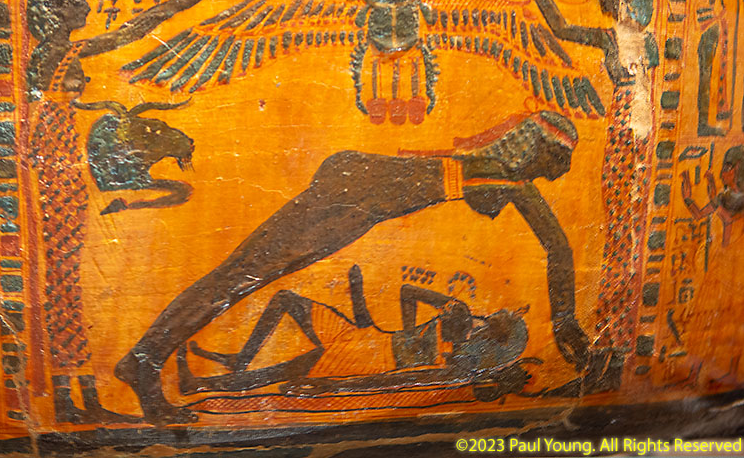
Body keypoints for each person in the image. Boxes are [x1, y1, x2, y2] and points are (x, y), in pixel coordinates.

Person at [115, 110, 590, 424]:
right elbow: (557, 245)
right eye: (555, 159)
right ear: (534, 149)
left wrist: (566, 318)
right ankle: (143, 361)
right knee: (238, 278)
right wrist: (565, 318)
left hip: (356, 201)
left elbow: (556, 244)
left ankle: (142, 360)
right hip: (350, 195)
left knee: (240, 276)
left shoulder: (502, 172)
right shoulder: (502, 174)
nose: (558, 172)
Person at [24, 0, 222, 423]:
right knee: (62, 285)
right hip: (55, 165)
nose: (86, 7)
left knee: (67, 284)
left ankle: (82, 398)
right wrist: (177, 2)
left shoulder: (56, 53)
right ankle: (70, 402)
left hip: (62, 161)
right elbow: (124, 35)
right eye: (76, 2)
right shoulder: (56, 52)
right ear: (54, 12)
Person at [493, 0, 658, 392]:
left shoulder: (647, 43)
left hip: (639, 135)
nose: (624, 6)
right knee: (618, 236)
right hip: (622, 130)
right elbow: (562, 28)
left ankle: (613, 354)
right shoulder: (610, 39)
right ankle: (606, 354)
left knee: (628, 239)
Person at [176, 264, 528, 395]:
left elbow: (395, 382)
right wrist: (433, 309)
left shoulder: (459, 367)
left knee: (279, 373)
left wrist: (332, 386)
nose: (494, 315)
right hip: (365, 339)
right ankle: (240, 358)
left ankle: (199, 384)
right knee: (284, 299)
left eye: (502, 319)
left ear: (496, 339)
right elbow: (407, 292)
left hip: (365, 362)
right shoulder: (461, 319)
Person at [681, 146, 744, 247]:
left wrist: (714, 198)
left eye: (727, 168)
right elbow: (699, 215)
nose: (722, 174)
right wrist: (687, 198)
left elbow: (727, 219)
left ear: (738, 168)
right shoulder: (724, 197)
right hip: (725, 250)